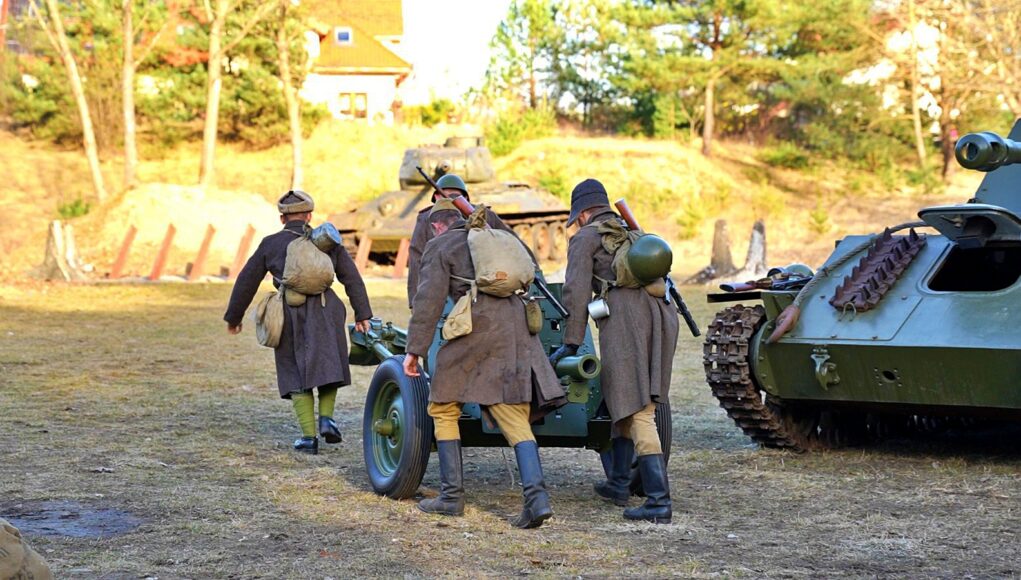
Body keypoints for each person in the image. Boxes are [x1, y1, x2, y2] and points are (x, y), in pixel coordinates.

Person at [402, 199, 566, 529]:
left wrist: (414, 350)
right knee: (513, 414)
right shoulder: (498, 237)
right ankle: (537, 500)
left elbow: (428, 301)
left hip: (476, 327)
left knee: (443, 405)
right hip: (517, 327)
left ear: (436, 225)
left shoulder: (440, 245)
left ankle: (451, 497)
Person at [549, 178, 679, 524]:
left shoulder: (585, 238)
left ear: (583, 213)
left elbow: (576, 291)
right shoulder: (631, 231)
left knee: (639, 410)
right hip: (662, 316)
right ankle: (618, 483)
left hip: (627, 322)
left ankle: (658, 501)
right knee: (621, 397)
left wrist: (571, 341)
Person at [224, 190, 373, 455]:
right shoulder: (327, 240)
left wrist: (234, 317)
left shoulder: (270, 244)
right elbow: (351, 278)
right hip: (326, 311)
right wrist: (362, 314)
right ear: (309, 216)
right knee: (328, 363)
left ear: (282, 218)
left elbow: (247, 280)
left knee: (294, 369)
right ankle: (327, 419)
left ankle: (308, 437)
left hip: (287, 313)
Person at [406, 173, 532, 308]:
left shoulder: (481, 215)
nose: (449, 200)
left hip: (471, 289)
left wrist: (415, 301)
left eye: (454, 196)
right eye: (447, 195)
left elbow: (417, 258)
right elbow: (417, 260)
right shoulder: (484, 215)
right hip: (467, 291)